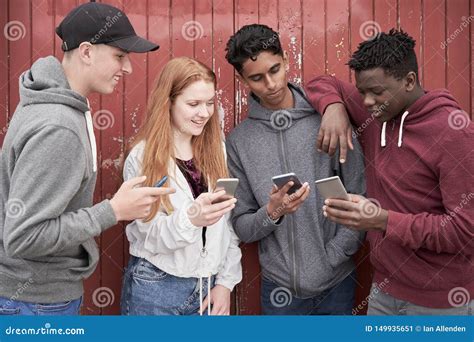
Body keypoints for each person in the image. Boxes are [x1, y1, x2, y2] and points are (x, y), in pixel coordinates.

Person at [0, 2, 174, 316]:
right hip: (35, 304)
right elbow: (24, 237)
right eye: (120, 56)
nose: (129, 69)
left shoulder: (56, 104)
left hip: (36, 299)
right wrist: (113, 210)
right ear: (86, 52)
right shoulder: (58, 125)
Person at [305, 29, 474, 315]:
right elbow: (322, 82)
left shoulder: (453, 133)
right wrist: (334, 108)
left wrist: (383, 220)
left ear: (409, 81)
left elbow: (464, 231)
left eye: (377, 92)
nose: (367, 101)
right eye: (361, 93)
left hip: (438, 301)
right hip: (383, 291)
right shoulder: (378, 113)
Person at [224, 24, 366, 315]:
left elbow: (359, 194)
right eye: (257, 78)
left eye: (275, 70)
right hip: (280, 291)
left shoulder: (329, 119)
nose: (271, 84)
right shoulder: (238, 142)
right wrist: (272, 212)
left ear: (287, 61)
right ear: (242, 80)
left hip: (337, 282)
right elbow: (241, 225)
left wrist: (333, 257)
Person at [120, 57, 242, 316]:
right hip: (157, 286)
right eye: (193, 104)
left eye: (210, 103)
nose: (204, 113)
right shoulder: (143, 157)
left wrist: (225, 283)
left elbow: (227, 224)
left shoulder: (216, 150)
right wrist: (191, 219)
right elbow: (147, 235)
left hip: (209, 286)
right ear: (169, 102)